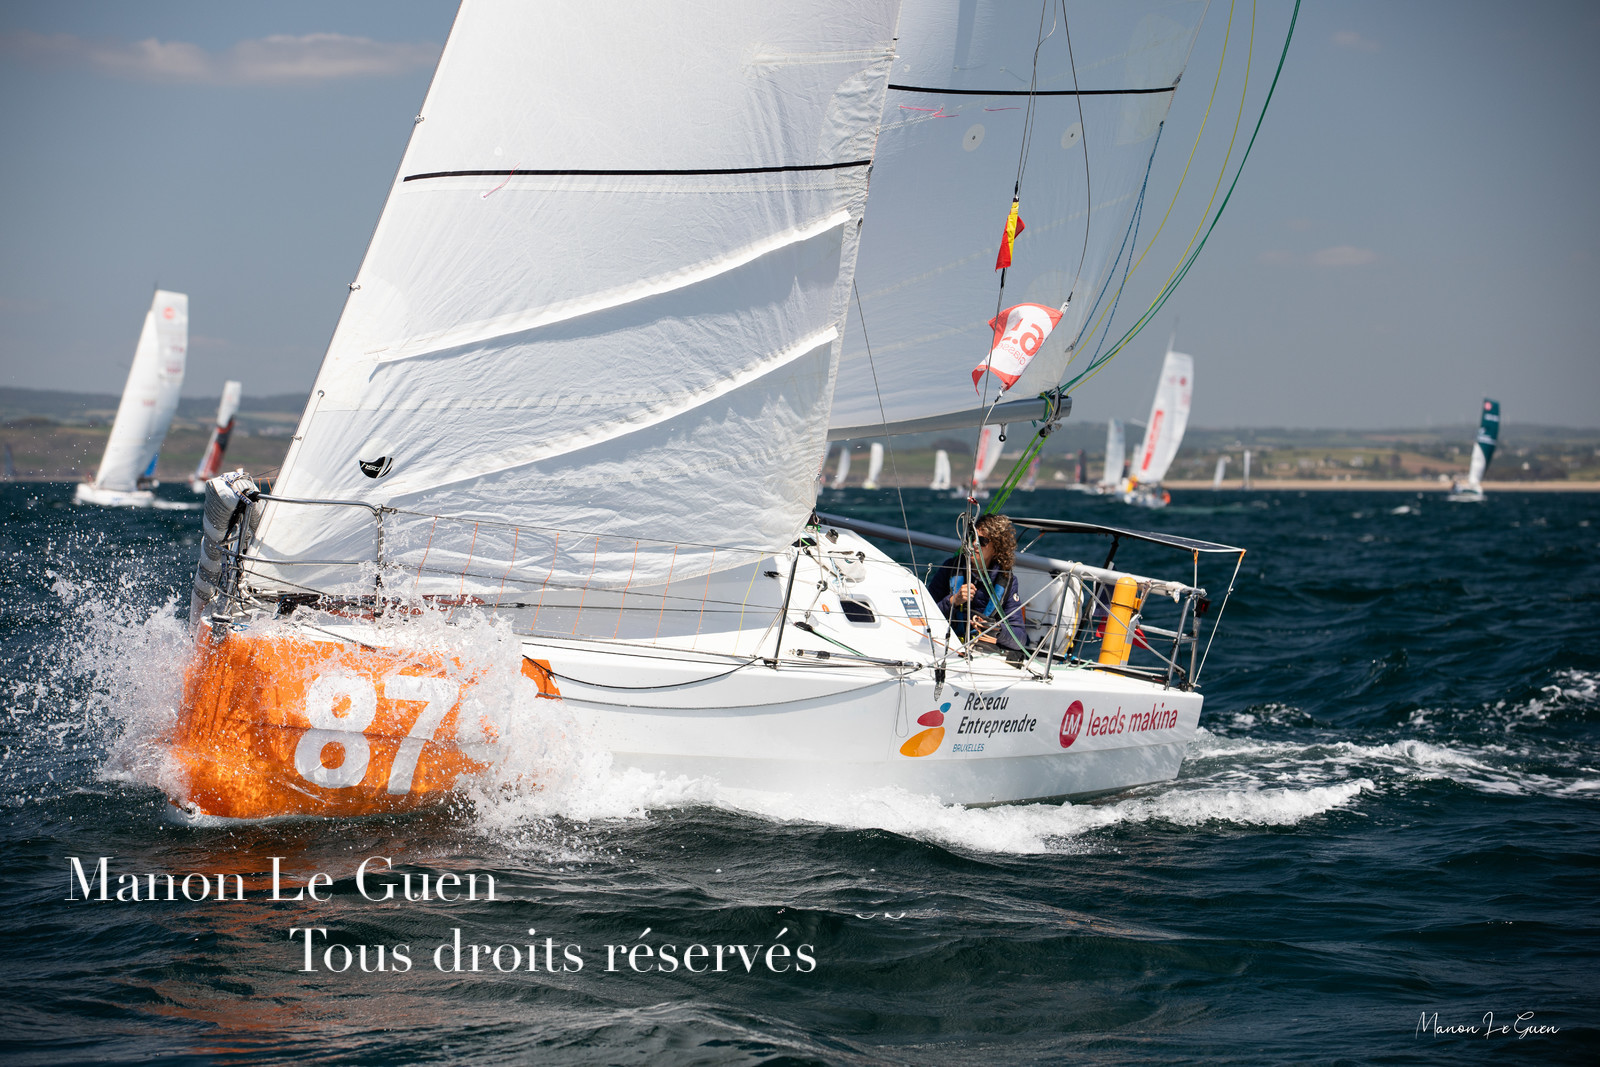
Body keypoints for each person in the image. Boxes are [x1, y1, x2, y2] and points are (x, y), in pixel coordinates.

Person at [927, 513, 1025, 652]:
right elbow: (925, 616)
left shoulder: (1007, 580)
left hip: (982, 652)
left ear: (997, 548)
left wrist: (996, 629)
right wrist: (953, 601)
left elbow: (1020, 639)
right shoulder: (950, 569)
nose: (974, 544)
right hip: (946, 646)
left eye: (982, 541)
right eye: (972, 537)